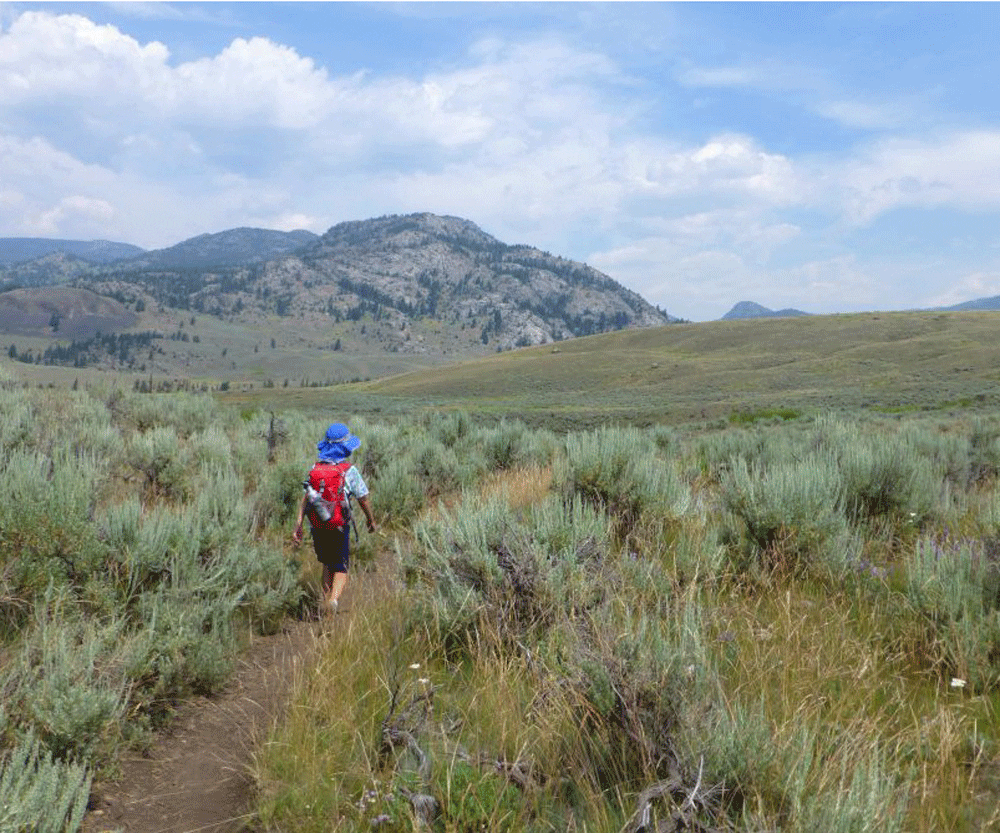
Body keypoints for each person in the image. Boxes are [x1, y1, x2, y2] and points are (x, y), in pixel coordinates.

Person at [292, 422, 376, 615]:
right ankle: (333, 601)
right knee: (342, 567)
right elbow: (363, 498)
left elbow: (306, 499)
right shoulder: (348, 471)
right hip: (339, 526)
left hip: (318, 525)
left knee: (328, 563)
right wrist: (371, 520)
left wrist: (298, 525)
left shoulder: (315, 469)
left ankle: (325, 601)